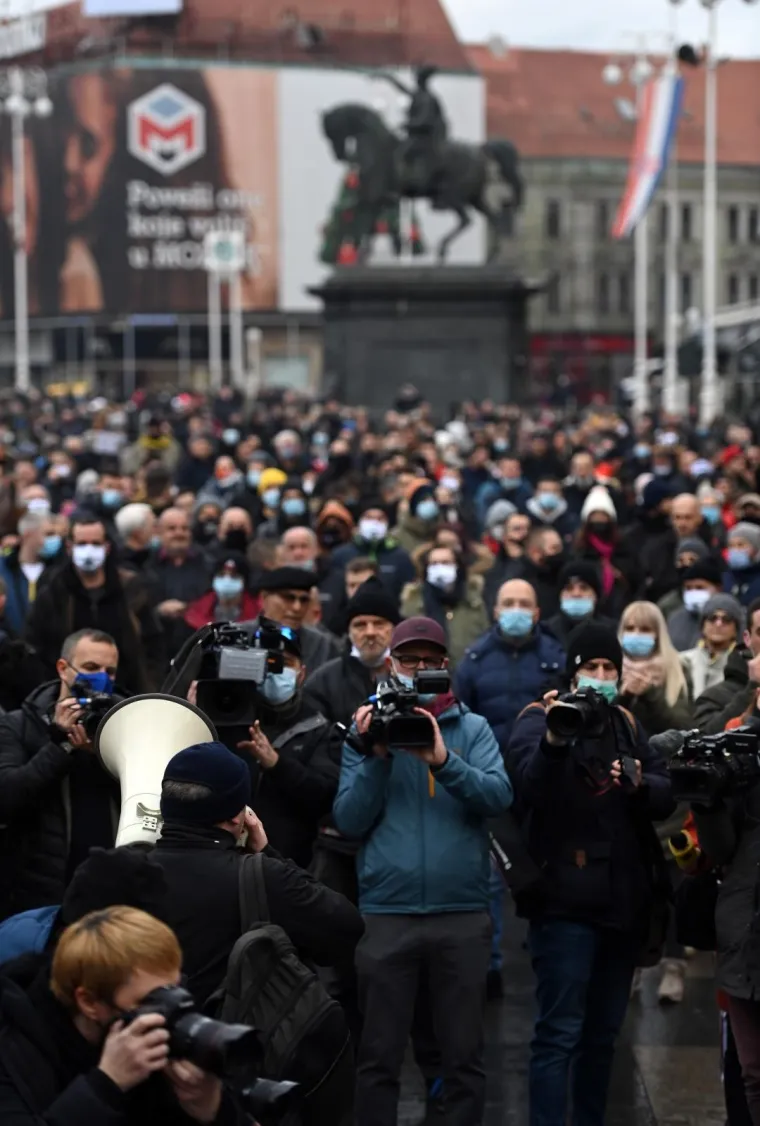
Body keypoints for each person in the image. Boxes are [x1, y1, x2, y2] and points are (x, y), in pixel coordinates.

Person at [334, 615, 512, 1126]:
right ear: (390, 664)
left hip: (461, 915)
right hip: (387, 916)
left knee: (463, 1060)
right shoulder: (364, 730)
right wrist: (377, 757)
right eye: (408, 660)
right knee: (379, 1058)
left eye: (428, 661)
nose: (417, 669)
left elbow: (499, 796)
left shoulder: (471, 728)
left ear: (445, 668)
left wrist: (443, 761)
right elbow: (348, 819)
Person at [507, 621, 674, 1126]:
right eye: (590, 667)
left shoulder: (626, 723)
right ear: (572, 671)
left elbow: (666, 793)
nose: (599, 676)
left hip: (620, 906)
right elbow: (528, 790)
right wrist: (556, 739)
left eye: (608, 668)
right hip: (563, 907)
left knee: (603, 1037)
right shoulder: (539, 719)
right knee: (558, 1034)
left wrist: (641, 784)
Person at [152, 740, 364, 1000]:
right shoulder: (263, 875)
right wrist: (267, 852)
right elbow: (347, 926)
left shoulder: (123, 871)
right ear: (236, 816)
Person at [0, 904, 248, 1126]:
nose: (169, 1011)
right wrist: (106, 1085)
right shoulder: (14, 1046)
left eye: (174, 990)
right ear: (89, 1002)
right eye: (152, 1000)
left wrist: (212, 1109)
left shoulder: (158, 1038)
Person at [0, 628, 124, 920]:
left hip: (109, 892)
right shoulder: (19, 725)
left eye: (111, 671)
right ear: (63, 669)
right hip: (41, 894)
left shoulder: (127, 720)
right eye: (92, 668)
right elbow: (7, 796)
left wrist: (109, 750)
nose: (103, 678)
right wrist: (62, 745)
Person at [234, 622, 340, 868]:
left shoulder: (317, 728)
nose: (275, 670)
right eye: (268, 662)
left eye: (285, 663)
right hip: (228, 862)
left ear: (301, 674)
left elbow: (326, 796)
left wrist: (277, 764)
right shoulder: (229, 715)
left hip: (289, 864)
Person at [25, 511, 164, 693]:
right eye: (82, 544)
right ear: (69, 547)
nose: (88, 550)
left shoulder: (130, 589)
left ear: (106, 547)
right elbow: (36, 647)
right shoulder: (53, 592)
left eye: (95, 543)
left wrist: (149, 689)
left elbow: (152, 644)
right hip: (66, 695)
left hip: (126, 693)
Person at [304, 577, 400, 727]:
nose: (370, 632)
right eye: (360, 625)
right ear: (349, 632)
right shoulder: (323, 681)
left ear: (394, 629)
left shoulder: (408, 674)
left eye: (379, 624)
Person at [400, 542, 489, 671]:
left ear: (457, 567)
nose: (440, 567)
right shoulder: (414, 602)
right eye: (434, 564)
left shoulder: (474, 601)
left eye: (446, 563)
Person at [617, 601, 693, 733]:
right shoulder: (608, 667)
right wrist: (625, 696)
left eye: (645, 629)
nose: (636, 634)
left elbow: (683, 726)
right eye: (629, 628)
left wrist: (650, 693)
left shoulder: (676, 668)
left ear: (658, 634)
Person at [145, 507, 211, 658]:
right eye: (172, 528)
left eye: (184, 528)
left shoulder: (207, 563)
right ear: (159, 532)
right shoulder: (147, 563)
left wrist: (189, 609)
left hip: (198, 645)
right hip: (158, 646)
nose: (179, 533)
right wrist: (158, 610)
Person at [247, 566, 340, 673]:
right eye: (288, 598)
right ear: (264, 598)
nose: (297, 608)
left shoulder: (322, 646)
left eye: (304, 600)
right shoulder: (237, 636)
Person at [695, 596, 760, 734]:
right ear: (747, 638)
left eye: (726, 619)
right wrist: (752, 687)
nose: (718, 624)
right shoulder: (716, 696)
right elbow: (705, 739)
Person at [574, 486, 640, 619]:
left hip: (619, 602)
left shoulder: (623, 544)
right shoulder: (580, 546)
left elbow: (635, 573)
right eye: (594, 515)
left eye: (603, 515)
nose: (599, 520)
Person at [330, 502, 415, 602]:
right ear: (360, 522)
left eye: (380, 519)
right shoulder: (341, 555)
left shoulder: (401, 557)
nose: (374, 523)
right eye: (369, 518)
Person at [0, 511, 56, 634]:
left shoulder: (58, 570)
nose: (54, 540)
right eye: (48, 534)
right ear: (28, 534)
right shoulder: (3, 569)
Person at [681, 593, 744, 701]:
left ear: (736, 629)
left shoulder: (743, 666)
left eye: (727, 619)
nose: (718, 624)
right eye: (712, 617)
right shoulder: (682, 661)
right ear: (702, 625)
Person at [182, 554, 260, 636]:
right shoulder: (197, 612)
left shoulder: (258, 612)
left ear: (244, 581)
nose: (227, 580)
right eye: (222, 575)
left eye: (234, 576)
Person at [545, 560, 617, 649]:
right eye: (569, 588)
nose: (576, 594)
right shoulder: (547, 632)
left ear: (596, 596)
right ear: (560, 595)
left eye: (584, 588)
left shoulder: (612, 631)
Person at [666, 559, 723, 652]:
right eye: (688, 588)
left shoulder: (728, 619)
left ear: (717, 588)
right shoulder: (675, 619)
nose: (693, 592)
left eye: (699, 587)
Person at [392, 480, 440, 555]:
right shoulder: (396, 536)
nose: (430, 503)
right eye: (424, 500)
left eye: (433, 499)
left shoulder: (442, 533)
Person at [524, 476, 578, 542]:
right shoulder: (525, 518)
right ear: (535, 493)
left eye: (554, 491)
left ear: (561, 494)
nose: (550, 494)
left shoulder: (571, 519)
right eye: (545, 491)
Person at [115, 502, 157, 575]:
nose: (157, 530)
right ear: (138, 532)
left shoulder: (153, 559)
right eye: (153, 526)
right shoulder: (122, 568)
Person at [724, 522, 760, 607]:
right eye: (731, 545)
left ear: (756, 548)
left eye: (741, 545)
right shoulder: (726, 577)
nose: (735, 550)